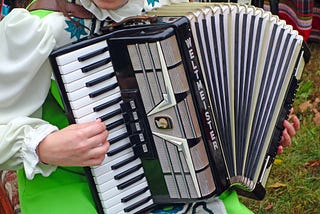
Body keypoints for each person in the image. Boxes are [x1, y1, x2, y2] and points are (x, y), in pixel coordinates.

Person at [0, 0, 300, 213]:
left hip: (180, 178)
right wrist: (43, 146)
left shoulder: (170, 11)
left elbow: (207, 102)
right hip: (71, 182)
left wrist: (259, 133)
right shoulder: (40, 27)